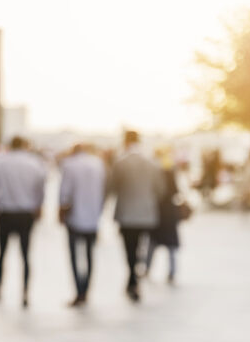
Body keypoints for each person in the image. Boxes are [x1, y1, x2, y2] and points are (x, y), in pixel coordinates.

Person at [0, 136, 46, 307]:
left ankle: (0, 286)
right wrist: (38, 207)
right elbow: (41, 188)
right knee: (25, 254)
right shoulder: (34, 163)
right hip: (26, 214)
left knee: (2, 252)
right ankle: (25, 292)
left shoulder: (0, 163)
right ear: (25, 145)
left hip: (5, 212)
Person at [111, 130, 163, 301]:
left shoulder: (121, 162)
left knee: (129, 248)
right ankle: (135, 277)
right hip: (146, 213)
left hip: (127, 213)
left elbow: (113, 187)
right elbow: (160, 190)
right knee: (141, 246)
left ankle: (132, 279)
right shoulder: (152, 163)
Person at [59, 144, 106, 306]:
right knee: (90, 255)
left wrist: (61, 212)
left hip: (75, 217)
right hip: (93, 217)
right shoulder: (98, 164)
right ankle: (86, 290)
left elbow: (65, 192)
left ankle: (79, 290)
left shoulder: (69, 164)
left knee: (74, 256)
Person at [145, 147, 180, 284]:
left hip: (157, 211)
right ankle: (172, 271)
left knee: (153, 242)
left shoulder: (154, 171)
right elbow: (176, 191)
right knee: (170, 245)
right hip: (169, 213)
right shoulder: (170, 170)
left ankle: (147, 268)